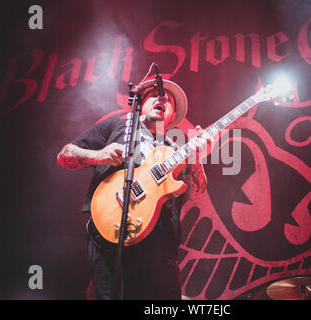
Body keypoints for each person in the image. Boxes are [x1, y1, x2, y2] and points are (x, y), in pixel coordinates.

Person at [56, 76, 210, 299]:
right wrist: (98, 155)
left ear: (173, 117)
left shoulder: (177, 151)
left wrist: (196, 157)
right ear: (141, 104)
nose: (162, 99)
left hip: (161, 248)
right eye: (155, 96)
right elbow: (64, 155)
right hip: (112, 237)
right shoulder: (118, 126)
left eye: (169, 101)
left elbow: (197, 194)